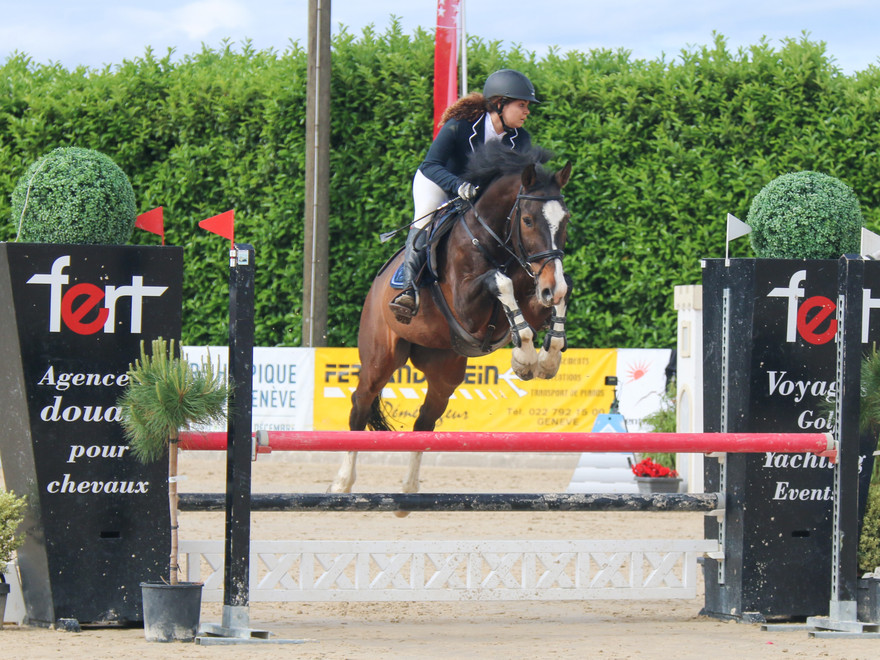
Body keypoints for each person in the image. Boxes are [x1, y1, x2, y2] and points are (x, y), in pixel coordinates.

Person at [389, 68, 540, 323]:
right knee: (424, 220)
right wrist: (457, 184)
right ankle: (409, 290)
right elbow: (430, 165)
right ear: (499, 104)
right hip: (438, 181)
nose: (527, 112)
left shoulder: (520, 138)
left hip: (476, 192)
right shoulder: (460, 126)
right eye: (522, 105)